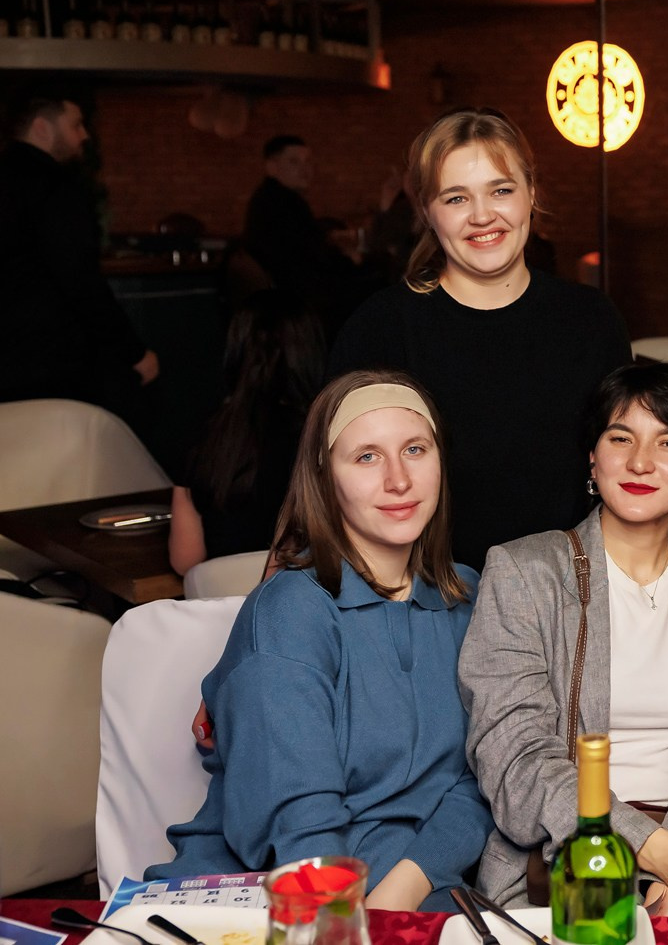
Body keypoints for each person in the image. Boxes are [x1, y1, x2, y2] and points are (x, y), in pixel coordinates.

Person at [149, 370, 493, 912]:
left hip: (418, 887)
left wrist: (410, 881)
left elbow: (488, 774)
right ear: (324, 477)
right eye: (366, 457)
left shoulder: (470, 596)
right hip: (278, 895)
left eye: (414, 449)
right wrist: (356, 915)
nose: (399, 480)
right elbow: (298, 822)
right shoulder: (290, 612)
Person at [459, 362, 668, 913]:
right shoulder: (525, 571)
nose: (640, 462)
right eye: (621, 438)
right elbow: (514, 757)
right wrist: (653, 849)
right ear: (593, 457)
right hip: (557, 860)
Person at [328, 107, 632, 570]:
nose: (483, 215)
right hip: (426, 593)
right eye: (456, 198)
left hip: (569, 591)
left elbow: (625, 461)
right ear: (427, 211)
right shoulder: (382, 328)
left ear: (531, 193)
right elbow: (333, 480)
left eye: (501, 190)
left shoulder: (591, 321)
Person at [0, 92, 159, 409]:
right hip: (49, 361)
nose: (84, 135)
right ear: (42, 128)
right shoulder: (55, 186)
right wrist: (134, 352)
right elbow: (80, 281)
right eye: (76, 125)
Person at [168, 290, 325, 575]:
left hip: (222, 601)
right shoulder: (323, 438)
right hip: (297, 598)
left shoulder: (202, 436)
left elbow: (185, 561)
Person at [242, 134, 366, 334]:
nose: (305, 169)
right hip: (297, 301)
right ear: (272, 167)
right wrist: (351, 259)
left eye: (308, 162)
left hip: (289, 293)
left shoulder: (272, 198)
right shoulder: (283, 203)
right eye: (294, 162)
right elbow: (310, 259)